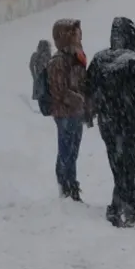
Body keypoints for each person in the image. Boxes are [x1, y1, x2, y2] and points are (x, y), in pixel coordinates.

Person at [85, 17, 135, 227]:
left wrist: (98, 109)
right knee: (128, 166)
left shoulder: (99, 59)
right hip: (130, 122)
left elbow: (88, 89)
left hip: (108, 122)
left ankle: (117, 208)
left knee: (117, 166)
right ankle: (126, 211)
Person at [48, 19, 90, 202]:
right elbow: (59, 90)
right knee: (66, 151)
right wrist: (79, 99)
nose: (78, 38)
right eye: (73, 34)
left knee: (72, 151)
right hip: (64, 113)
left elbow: (83, 83)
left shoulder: (77, 58)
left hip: (76, 113)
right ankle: (67, 186)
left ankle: (70, 184)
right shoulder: (58, 61)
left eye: (78, 34)